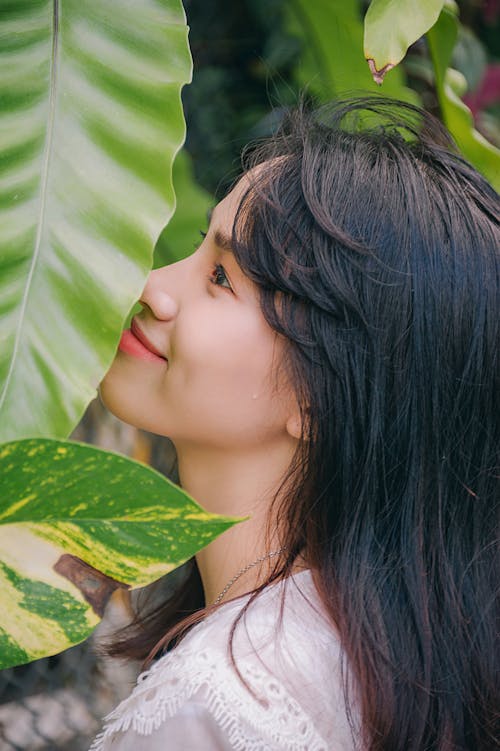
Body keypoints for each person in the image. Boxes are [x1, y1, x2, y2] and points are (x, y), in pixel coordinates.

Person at [90, 97, 499, 751]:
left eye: (220, 276)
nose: (152, 286)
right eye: (198, 250)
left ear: (323, 394)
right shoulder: (377, 670)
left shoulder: (211, 706)